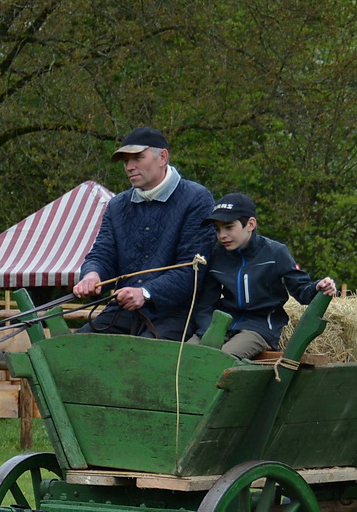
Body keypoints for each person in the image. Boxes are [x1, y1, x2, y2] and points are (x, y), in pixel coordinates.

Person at [73, 126, 216, 339]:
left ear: (162, 157)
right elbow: (102, 254)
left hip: (177, 314)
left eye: (138, 158)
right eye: (125, 161)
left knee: (140, 361)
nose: (130, 167)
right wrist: (92, 274)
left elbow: (192, 270)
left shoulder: (196, 199)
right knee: (72, 349)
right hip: (124, 311)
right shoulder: (117, 205)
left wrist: (146, 293)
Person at [200, 193, 338, 361]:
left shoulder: (275, 253)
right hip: (222, 325)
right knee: (185, 356)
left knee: (218, 360)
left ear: (250, 224)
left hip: (259, 328)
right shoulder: (216, 257)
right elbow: (205, 303)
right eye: (217, 229)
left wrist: (317, 287)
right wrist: (206, 331)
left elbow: (302, 291)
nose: (222, 235)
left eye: (229, 227)